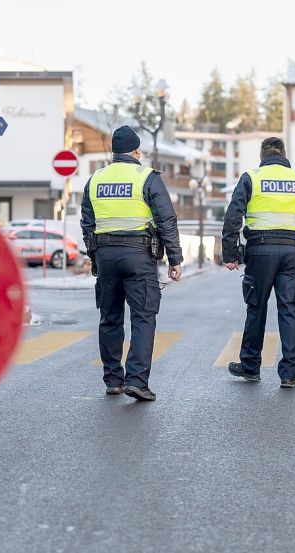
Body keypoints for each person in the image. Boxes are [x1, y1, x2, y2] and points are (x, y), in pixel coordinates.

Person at [80, 126, 183, 402]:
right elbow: (166, 220)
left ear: (114, 152)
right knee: (143, 317)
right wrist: (175, 259)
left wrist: (94, 257)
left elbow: (87, 222)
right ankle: (137, 381)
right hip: (139, 257)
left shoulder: (96, 178)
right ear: (137, 151)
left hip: (106, 256)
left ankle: (113, 379)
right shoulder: (147, 177)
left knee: (110, 317)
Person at [221, 137, 295, 389]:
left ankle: (250, 367)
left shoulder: (251, 177)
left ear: (262, 155)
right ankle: (289, 374)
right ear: (284, 154)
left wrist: (230, 254)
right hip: (292, 253)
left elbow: (233, 216)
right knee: (288, 309)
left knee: (256, 308)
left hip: (260, 251)